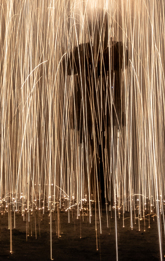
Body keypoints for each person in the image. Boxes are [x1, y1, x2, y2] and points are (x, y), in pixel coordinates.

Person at [62, 13, 129, 208]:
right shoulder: (84, 51)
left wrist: (92, 61)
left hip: (105, 113)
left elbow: (121, 61)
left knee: (103, 153)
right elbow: (65, 67)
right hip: (90, 114)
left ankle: (103, 194)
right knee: (97, 153)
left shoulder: (114, 50)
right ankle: (100, 194)